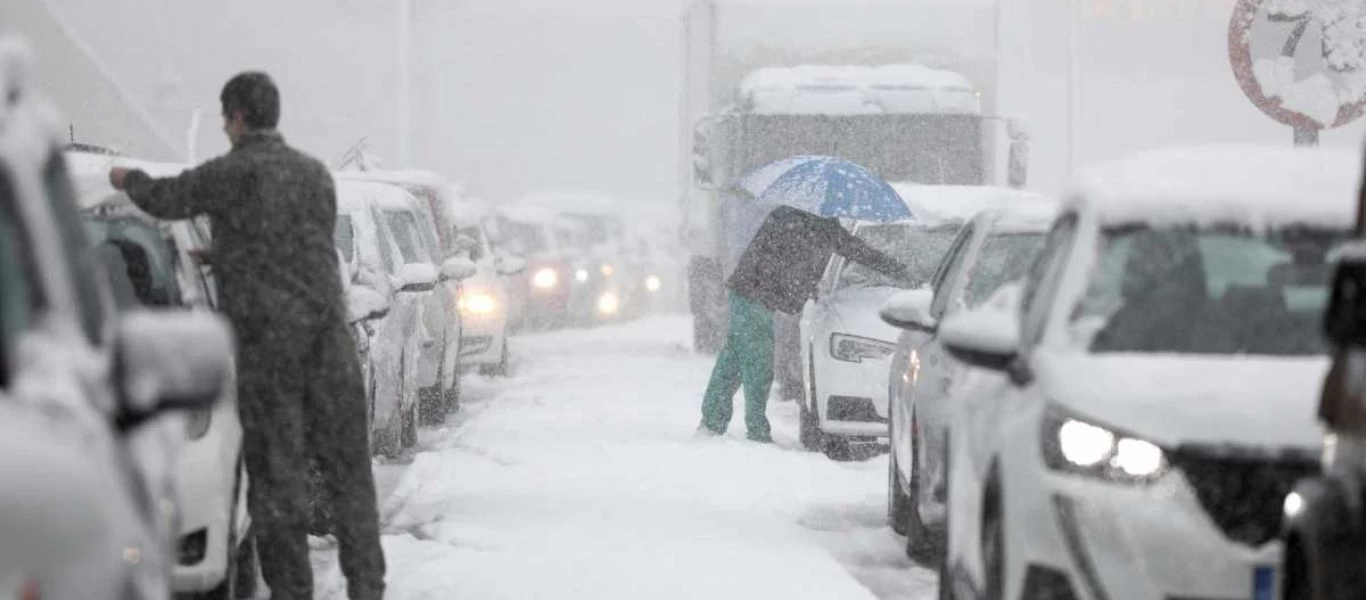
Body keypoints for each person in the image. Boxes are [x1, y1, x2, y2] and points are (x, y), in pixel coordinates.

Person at [109, 72, 385, 600]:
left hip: (271, 355)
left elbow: (168, 198)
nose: (222, 125)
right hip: (330, 349)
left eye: (224, 116)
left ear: (237, 117)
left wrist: (126, 178)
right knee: (350, 483)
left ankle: (292, 592)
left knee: (279, 491)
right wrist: (231, 253)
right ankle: (368, 587)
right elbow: (298, 248)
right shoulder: (313, 176)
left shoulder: (231, 173)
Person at [698, 205, 910, 443]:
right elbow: (777, 262)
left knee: (734, 360)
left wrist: (898, 270)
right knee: (759, 363)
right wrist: (801, 284)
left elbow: (857, 251)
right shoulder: (787, 219)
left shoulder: (821, 227)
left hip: (750, 295)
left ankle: (711, 421)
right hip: (752, 295)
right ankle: (756, 430)